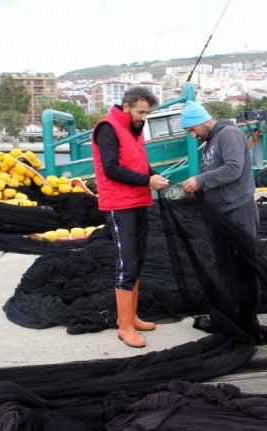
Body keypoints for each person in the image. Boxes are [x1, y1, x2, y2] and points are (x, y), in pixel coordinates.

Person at [91, 87, 169, 348]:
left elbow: (138, 165)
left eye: (147, 113)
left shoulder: (134, 132)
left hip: (138, 203)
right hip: (119, 204)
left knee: (138, 261)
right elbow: (111, 169)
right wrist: (148, 181)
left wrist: (157, 175)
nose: (144, 118)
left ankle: (132, 317)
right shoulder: (108, 128)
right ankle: (124, 327)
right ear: (126, 106)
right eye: (140, 112)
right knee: (126, 263)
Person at [180, 100, 261, 340]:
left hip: (239, 212)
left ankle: (247, 323)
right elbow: (216, 173)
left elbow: (234, 168)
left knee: (244, 269)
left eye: (192, 130)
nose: (192, 135)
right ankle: (228, 317)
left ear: (201, 121)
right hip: (221, 215)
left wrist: (201, 181)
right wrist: (198, 189)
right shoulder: (210, 142)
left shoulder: (229, 134)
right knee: (223, 268)